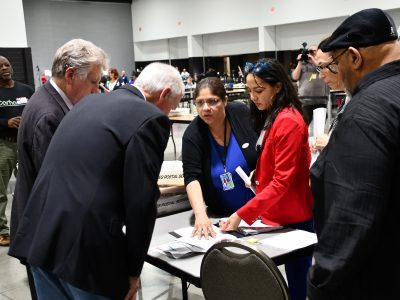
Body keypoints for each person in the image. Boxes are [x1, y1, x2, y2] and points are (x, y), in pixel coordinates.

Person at [9, 62, 185, 299]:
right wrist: (133, 270)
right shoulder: (150, 118)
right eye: (170, 107)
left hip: (40, 235)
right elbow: (140, 202)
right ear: (164, 94)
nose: (167, 114)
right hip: (87, 252)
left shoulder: (88, 102)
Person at [308, 8, 400, 299]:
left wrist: (319, 287)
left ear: (354, 57)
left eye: (334, 64)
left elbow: (350, 217)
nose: (332, 74)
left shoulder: (365, 112)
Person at [9, 38, 108, 300]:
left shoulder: (50, 100)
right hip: (48, 234)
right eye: (94, 82)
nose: (97, 91)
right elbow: (60, 184)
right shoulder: (50, 115)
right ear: (71, 75)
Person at [220, 58, 314, 300]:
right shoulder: (274, 115)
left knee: (298, 285)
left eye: (259, 90)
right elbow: (273, 160)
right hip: (276, 213)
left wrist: (242, 214)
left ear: (278, 87)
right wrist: (259, 174)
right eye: (250, 90)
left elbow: (283, 181)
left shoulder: (289, 121)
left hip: (294, 216)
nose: (253, 97)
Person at [182, 77, 258, 239]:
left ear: (225, 100)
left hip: (258, 212)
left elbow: (264, 146)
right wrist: (200, 214)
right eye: (200, 103)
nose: (205, 108)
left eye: (212, 101)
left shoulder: (241, 113)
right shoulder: (193, 135)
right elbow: (191, 177)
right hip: (221, 217)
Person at [0, 56, 34, 247]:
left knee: (30, 187)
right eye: (0, 66)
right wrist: (6, 122)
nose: (5, 68)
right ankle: (2, 231)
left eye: (7, 65)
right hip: (3, 146)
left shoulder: (26, 90)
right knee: (0, 192)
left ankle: (30, 227)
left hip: (26, 144)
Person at [310, 38, 349, 153]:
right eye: (319, 68)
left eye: (324, 67)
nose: (321, 76)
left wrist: (330, 144)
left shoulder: (365, 100)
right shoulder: (349, 96)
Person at [291, 44, 330, 126]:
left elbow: (325, 71)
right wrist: (299, 62)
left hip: (321, 101)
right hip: (305, 102)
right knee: (303, 126)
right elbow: (295, 77)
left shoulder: (322, 64)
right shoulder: (302, 65)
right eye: (309, 52)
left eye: (313, 52)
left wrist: (314, 61)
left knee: (319, 127)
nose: (310, 54)